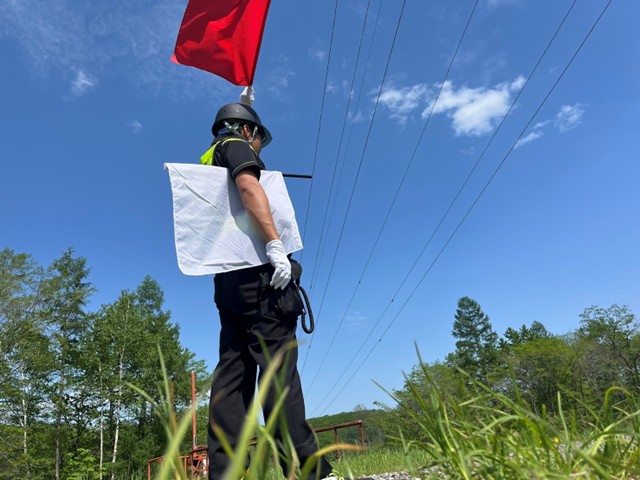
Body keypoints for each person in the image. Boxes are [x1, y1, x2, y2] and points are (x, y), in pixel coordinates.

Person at [202, 103, 333, 480]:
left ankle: (226, 473)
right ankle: (307, 471)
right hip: (262, 282)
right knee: (279, 375)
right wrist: (275, 245)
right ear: (247, 130)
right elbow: (248, 184)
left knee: (232, 376)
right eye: (259, 139)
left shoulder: (209, 159)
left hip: (229, 283)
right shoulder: (234, 145)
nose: (259, 147)